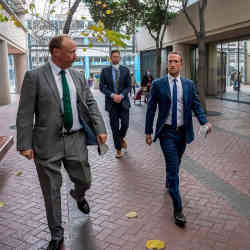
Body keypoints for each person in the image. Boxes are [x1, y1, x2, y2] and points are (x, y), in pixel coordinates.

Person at [16, 35, 107, 250]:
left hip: (76, 138)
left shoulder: (78, 75)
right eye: (72, 51)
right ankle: (57, 234)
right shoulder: (34, 76)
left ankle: (79, 193)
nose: (76, 55)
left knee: (84, 178)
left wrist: (100, 129)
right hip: (47, 143)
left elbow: (91, 103)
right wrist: (24, 143)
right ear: (56, 52)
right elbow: (25, 113)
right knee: (51, 190)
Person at [145, 52, 212, 227]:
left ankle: (169, 180)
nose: (172, 64)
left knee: (177, 162)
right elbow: (151, 108)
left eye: (175, 61)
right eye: (170, 61)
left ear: (181, 64)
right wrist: (147, 131)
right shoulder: (158, 84)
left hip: (183, 133)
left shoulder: (188, 84)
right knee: (173, 168)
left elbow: (196, 105)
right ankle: (178, 209)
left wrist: (204, 122)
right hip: (166, 133)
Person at [100, 50, 131, 158]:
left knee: (125, 124)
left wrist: (121, 96)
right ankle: (118, 149)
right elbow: (102, 87)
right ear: (111, 58)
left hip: (124, 103)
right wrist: (113, 95)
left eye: (117, 56)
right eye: (114, 57)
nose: (116, 58)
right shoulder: (105, 71)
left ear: (120, 58)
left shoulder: (126, 70)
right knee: (114, 127)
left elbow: (128, 86)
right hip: (111, 103)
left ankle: (120, 139)